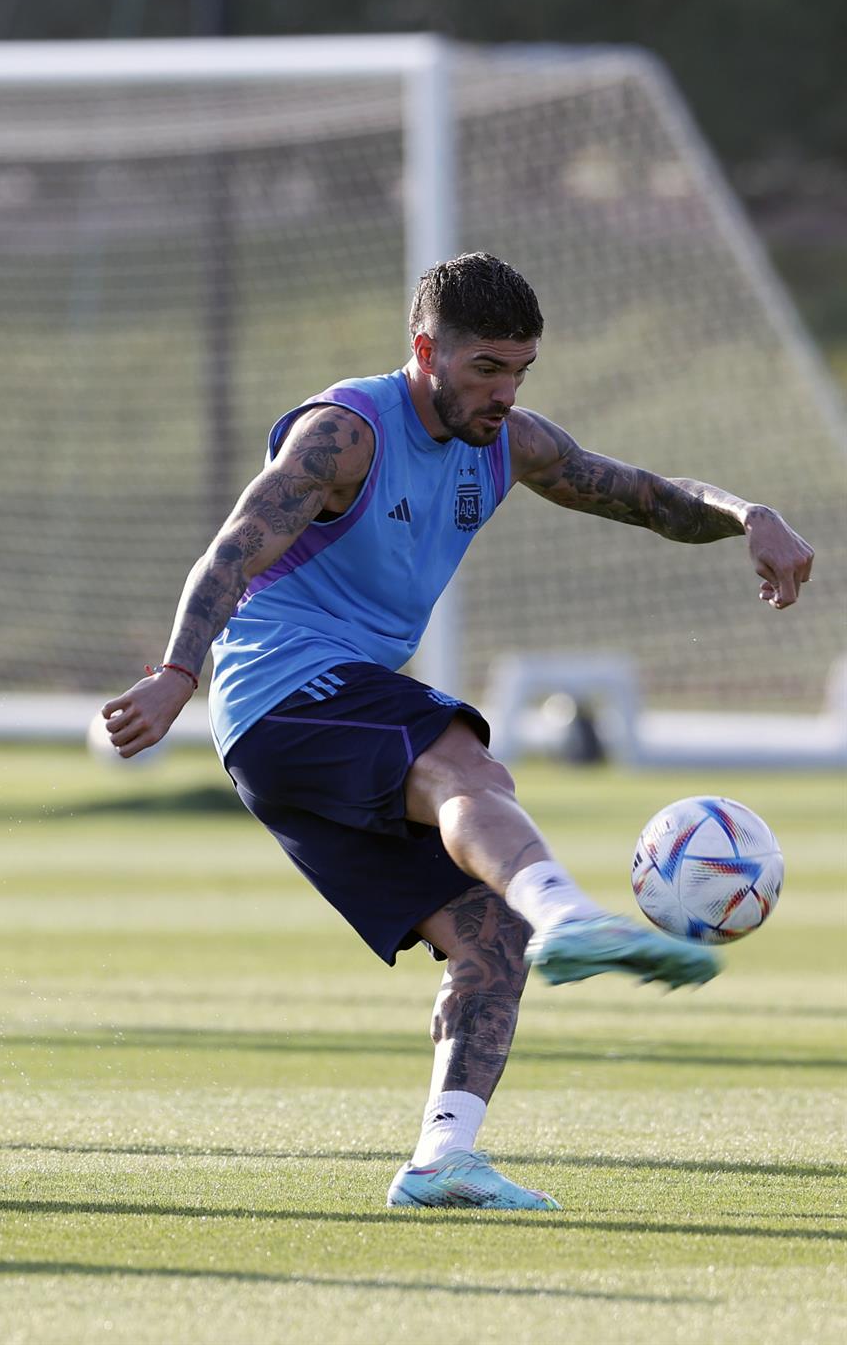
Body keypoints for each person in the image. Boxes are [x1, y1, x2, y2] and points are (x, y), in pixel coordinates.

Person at [101, 252, 814, 1211]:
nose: (504, 391)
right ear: (425, 348)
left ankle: (441, 1158)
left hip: (307, 729)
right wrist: (177, 674)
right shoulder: (345, 433)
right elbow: (233, 549)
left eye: (521, 370)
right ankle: (571, 914)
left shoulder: (508, 442)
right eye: (486, 368)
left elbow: (644, 495)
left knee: (490, 934)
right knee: (464, 762)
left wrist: (749, 514)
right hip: (285, 688)